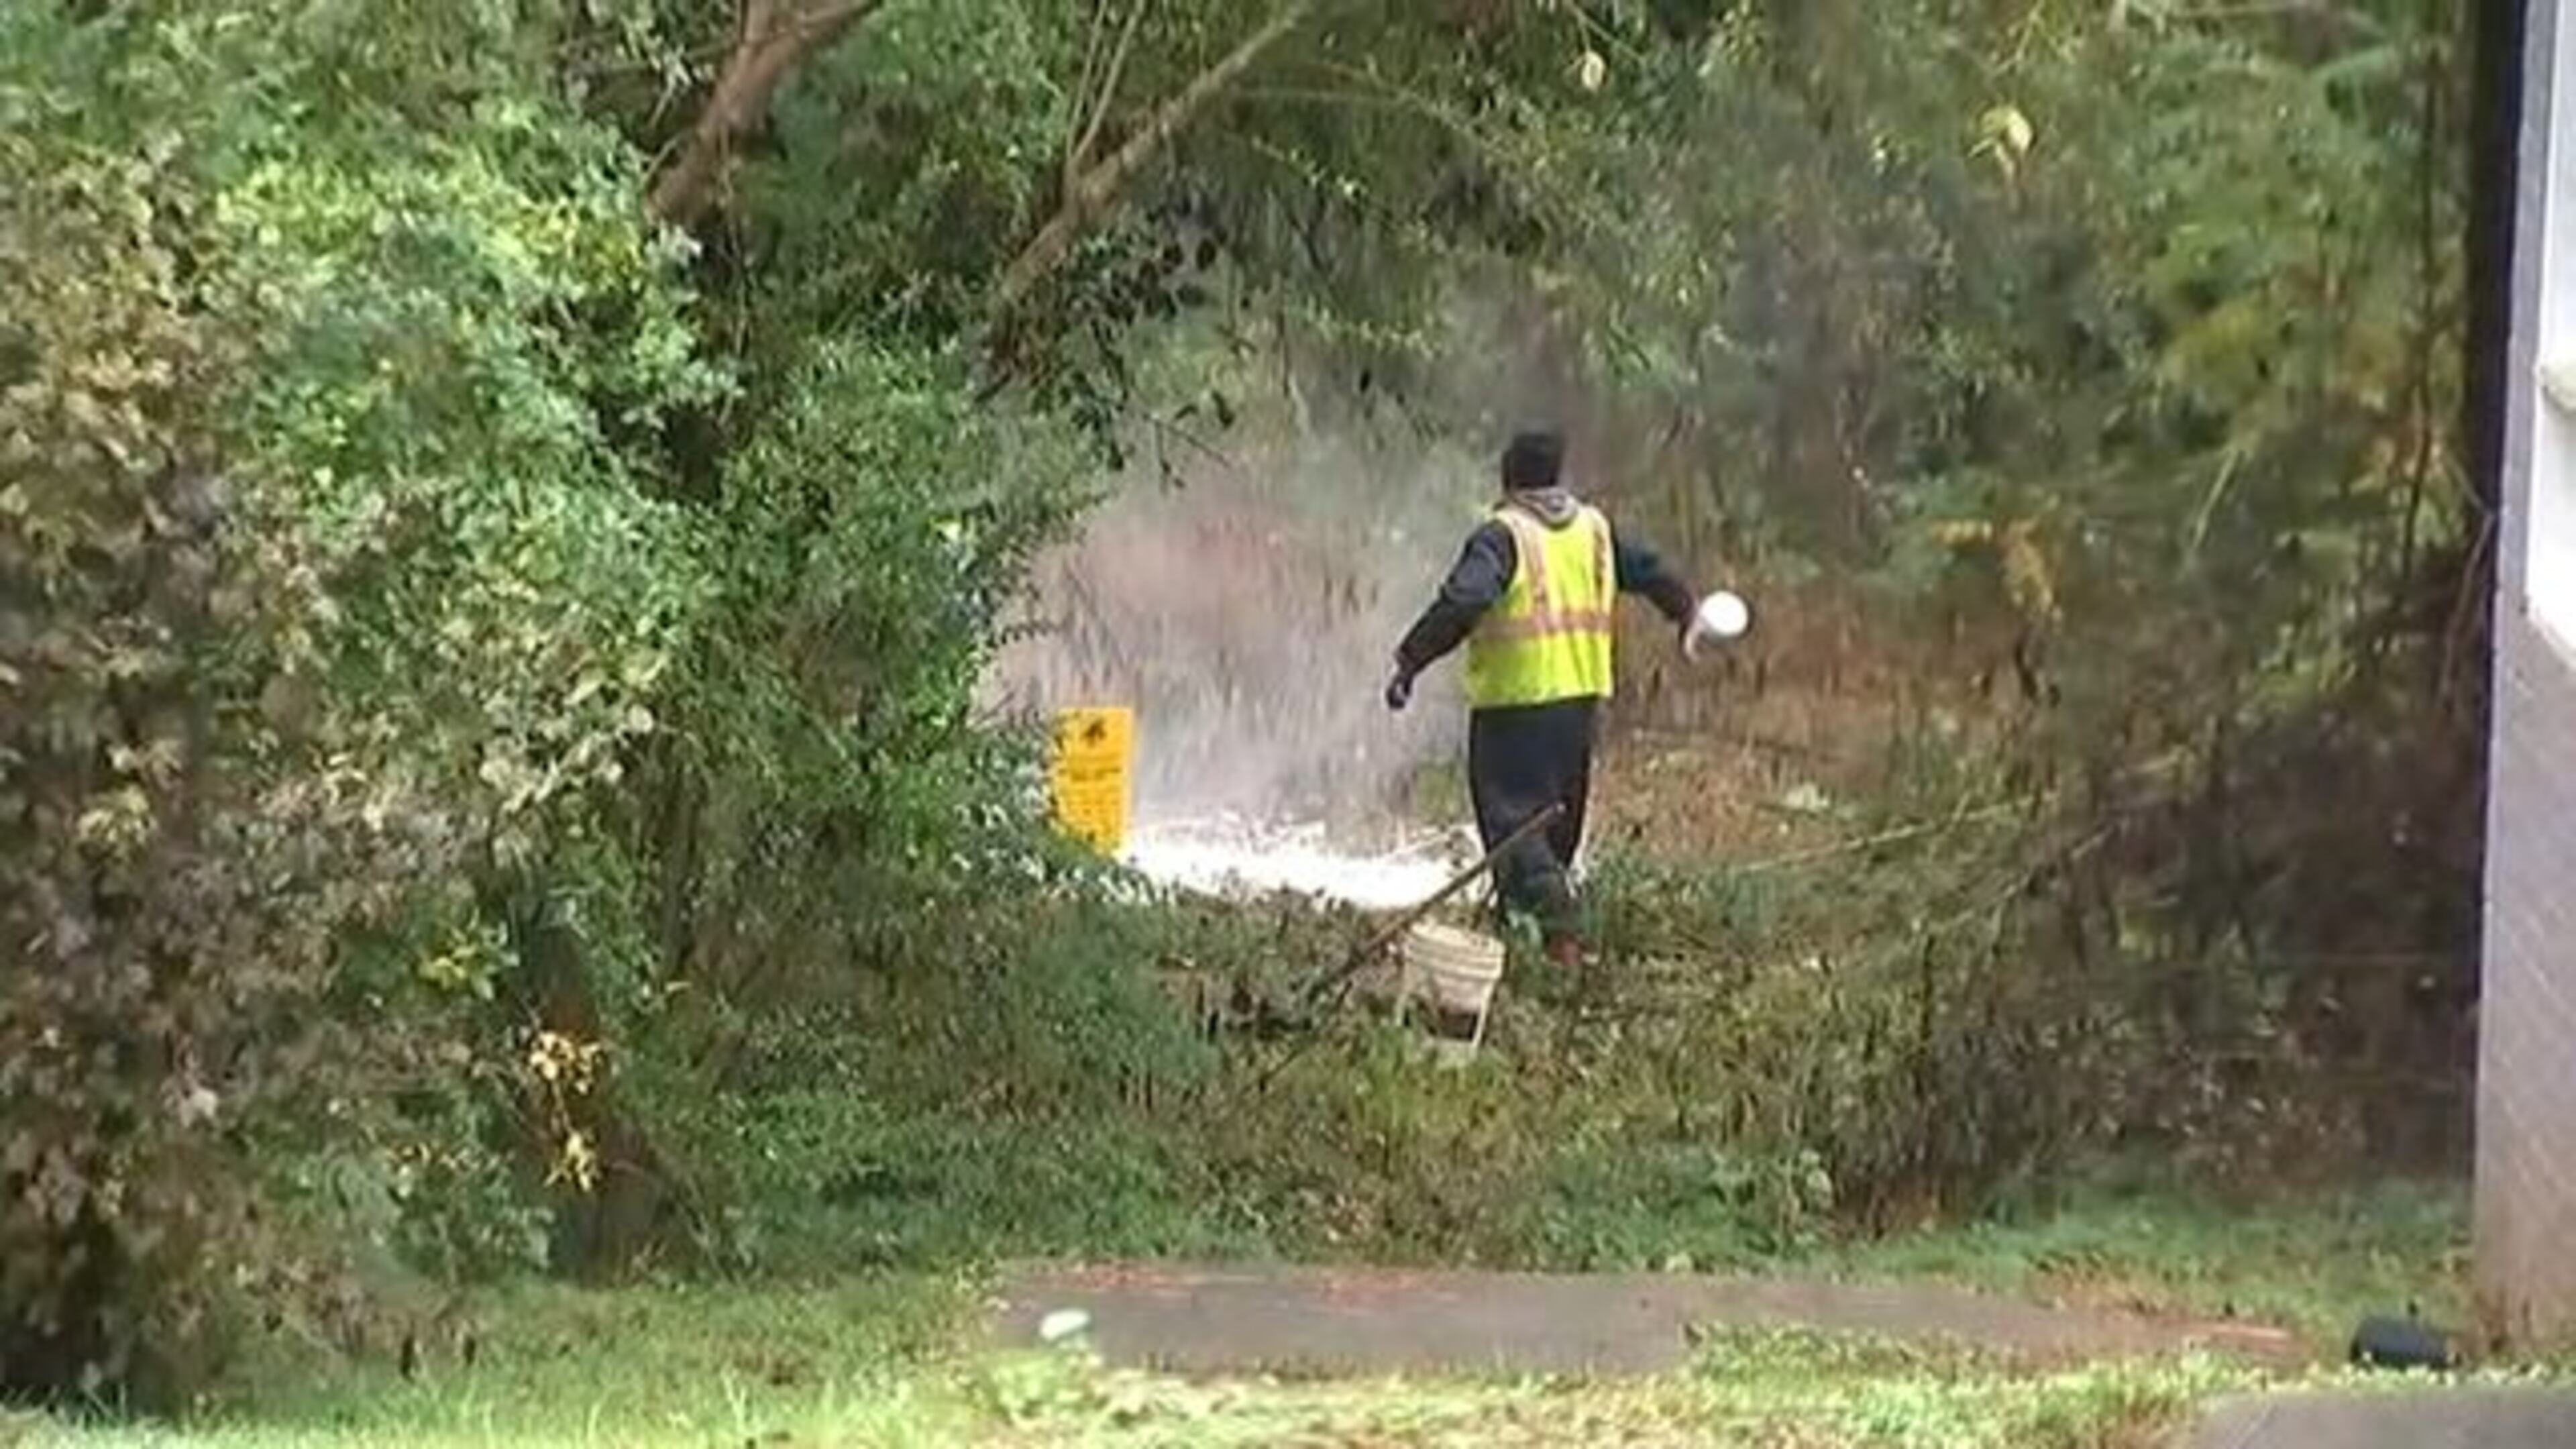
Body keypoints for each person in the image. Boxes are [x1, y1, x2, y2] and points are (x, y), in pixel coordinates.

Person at [1384, 427, 1711, 967]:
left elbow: (1464, 600)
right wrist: (1686, 611)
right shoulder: (1594, 530)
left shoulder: (1503, 535)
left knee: (1515, 826)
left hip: (1515, 710)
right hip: (1578, 708)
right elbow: (1650, 570)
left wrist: (1410, 659)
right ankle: (1532, 937)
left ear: (1508, 480)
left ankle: (1562, 936)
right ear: (1555, 476)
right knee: (1557, 825)